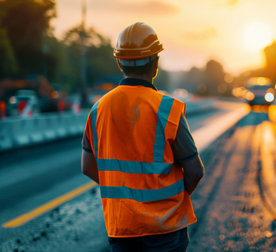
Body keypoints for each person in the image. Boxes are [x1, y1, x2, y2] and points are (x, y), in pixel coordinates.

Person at [81, 22, 204, 252]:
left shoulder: (98, 110)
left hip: (122, 228)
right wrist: (170, 201)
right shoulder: (167, 109)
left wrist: (126, 194)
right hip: (165, 229)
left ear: (119, 62)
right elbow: (195, 171)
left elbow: (88, 167)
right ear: (155, 62)